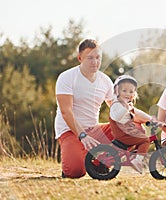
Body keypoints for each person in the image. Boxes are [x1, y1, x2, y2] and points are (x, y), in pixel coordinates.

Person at [54, 39, 114, 178]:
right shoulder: (67, 77)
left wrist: (133, 115)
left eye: (98, 57)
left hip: (93, 130)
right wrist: (82, 135)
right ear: (80, 58)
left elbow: (116, 109)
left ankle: (101, 164)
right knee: (74, 172)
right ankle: (81, 157)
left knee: (132, 129)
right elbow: (66, 111)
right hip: (71, 131)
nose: (95, 62)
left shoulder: (105, 80)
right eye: (90, 58)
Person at [109, 75, 152, 174]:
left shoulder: (127, 104)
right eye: (124, 91)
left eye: (131, 91)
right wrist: (126, 108)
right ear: (117, 91)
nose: (128, 94)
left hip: (126, 131)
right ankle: (137, 161)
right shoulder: (116, 104)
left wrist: (150, 119)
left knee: (141, 130)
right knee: (146, 140)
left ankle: (134, 156)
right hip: (122, 133)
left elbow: (137, 113)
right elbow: (116, 117)